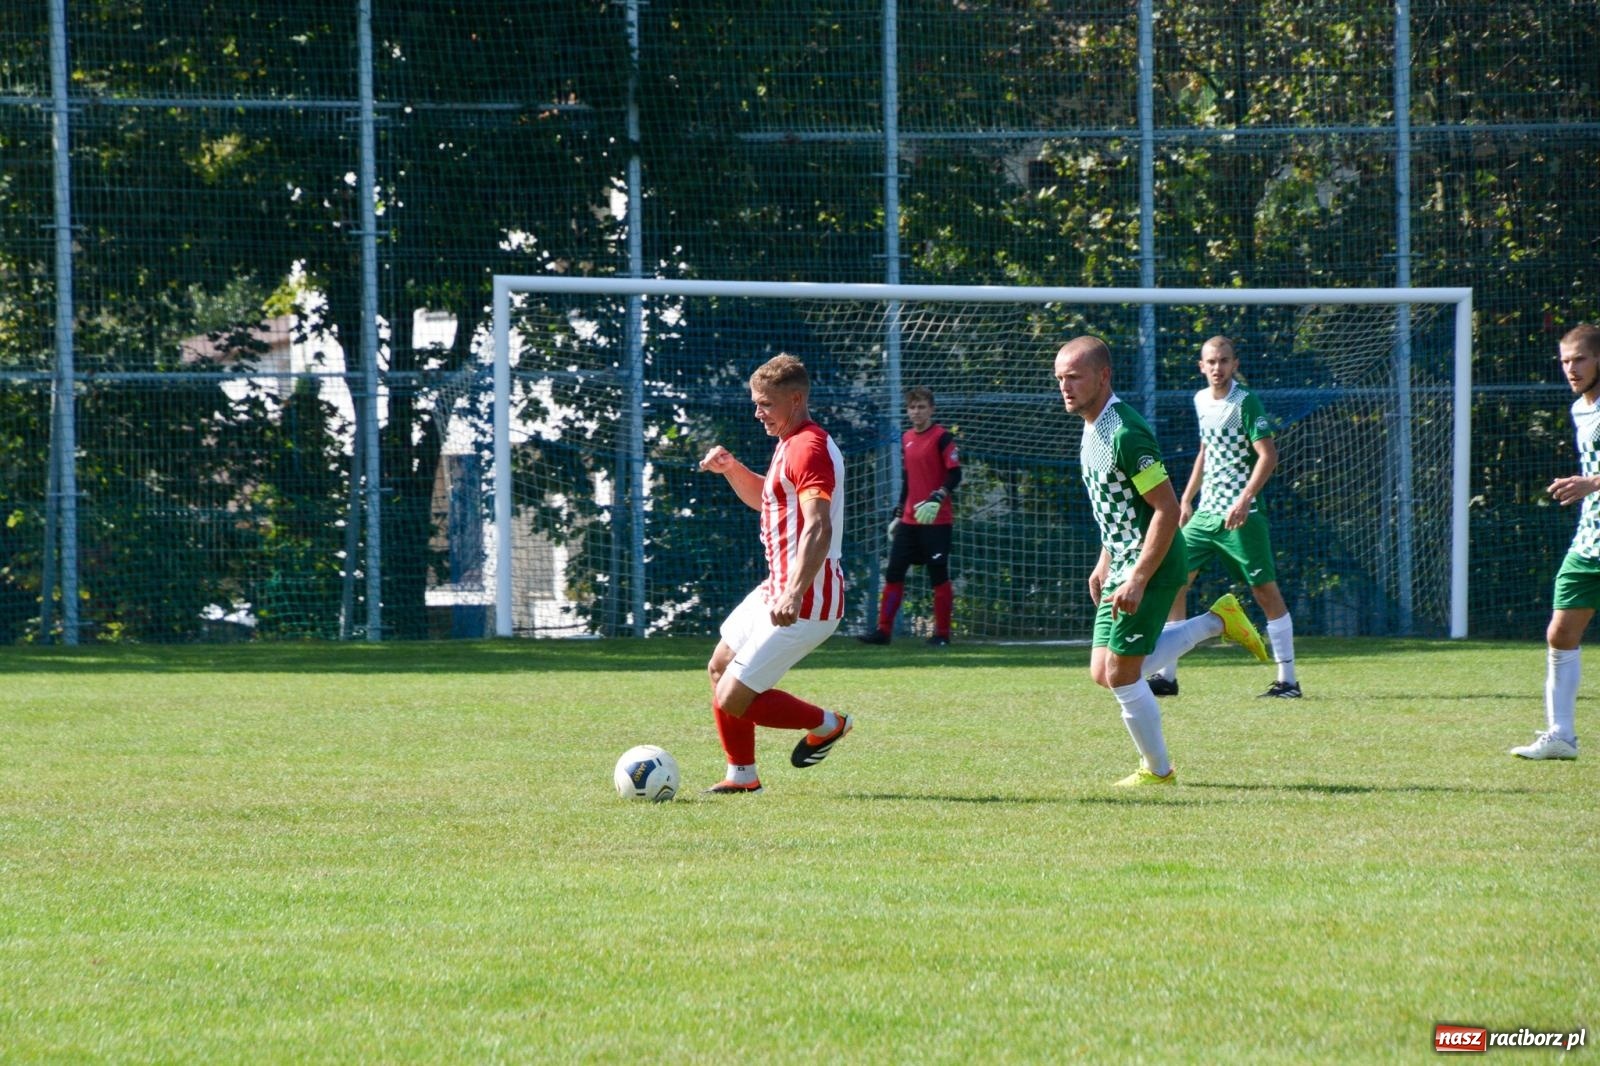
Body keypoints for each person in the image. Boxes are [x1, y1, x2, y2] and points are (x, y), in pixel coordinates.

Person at [1054, 336, 1268, 787]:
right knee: (1103, 672)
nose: (1065, 387)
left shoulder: (1125, 433)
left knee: (1123, 673)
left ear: (1103, 376)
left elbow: (1167, 510)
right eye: (1060, 379)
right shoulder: (1092, 427)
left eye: (1074, 377)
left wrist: (1136, 577)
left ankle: (1158, 771)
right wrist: (1105, 561)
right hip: (1123, 562)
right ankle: (1217, 621)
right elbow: (1119, 508)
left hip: (1151, 564)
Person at [696, 353, 855, 793]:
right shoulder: (790, 441)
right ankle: (742, 777)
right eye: (756, 403)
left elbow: (818, 525)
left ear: (796, 398)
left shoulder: (808, 447)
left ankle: (829, 723)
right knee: (719, 666)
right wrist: (731, 470)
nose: (757, 412)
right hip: (778, 589)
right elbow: (765, 500)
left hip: (807, 600)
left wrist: (794, 593)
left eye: (765, 404)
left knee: (733, 695)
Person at [1147, 336, 1301, 699]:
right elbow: (1205, 450)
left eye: (1224, 361)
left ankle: (1288, 681)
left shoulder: (1245, 402)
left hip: (1241, 516)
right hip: (1205, 515)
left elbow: (1268, 455)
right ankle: (1167, 677)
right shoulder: (1200, 400)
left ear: (1235, 364)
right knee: (1174, 581)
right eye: (1211, 362)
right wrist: (1186, 499)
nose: (1217, 368)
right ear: (1201, 366)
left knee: (1264, 590)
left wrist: (1245, 499)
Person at [1511, 323, 1600, 761]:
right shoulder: (1579, 409)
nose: (1571, 368)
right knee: (1560, 633)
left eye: (1580, 359)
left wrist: (1592, 483)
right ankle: (1561, 735)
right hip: (1590, 541)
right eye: (1565, 361)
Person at [858, 386, 963, 647]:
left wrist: (938, 496)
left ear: (932, 409)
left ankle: (941, 634)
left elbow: (955, 474)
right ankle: (883, 632)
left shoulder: (942, 437)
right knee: (893, 573)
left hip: (936, 521)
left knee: (938, 574)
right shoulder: (906, 438)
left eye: (922, 407)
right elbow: (908, 480)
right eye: (912, 407)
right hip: (909, 520)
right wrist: (898, 511)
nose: (916, 412)